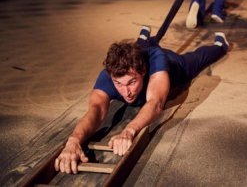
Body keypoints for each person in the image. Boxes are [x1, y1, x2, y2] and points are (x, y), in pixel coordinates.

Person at [54, 26, 230, 174]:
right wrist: (74, 140)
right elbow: (96, 111)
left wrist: (129, 131)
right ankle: (143, 38)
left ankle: (220, 45)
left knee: (198, 59)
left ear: (143, 71)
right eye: (119, 84)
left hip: (175, 65)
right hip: (138, 57)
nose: (126, 92)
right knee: (138, 48)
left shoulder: (156, 62)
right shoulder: (107, 77)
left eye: (131, 82)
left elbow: (155, 103)